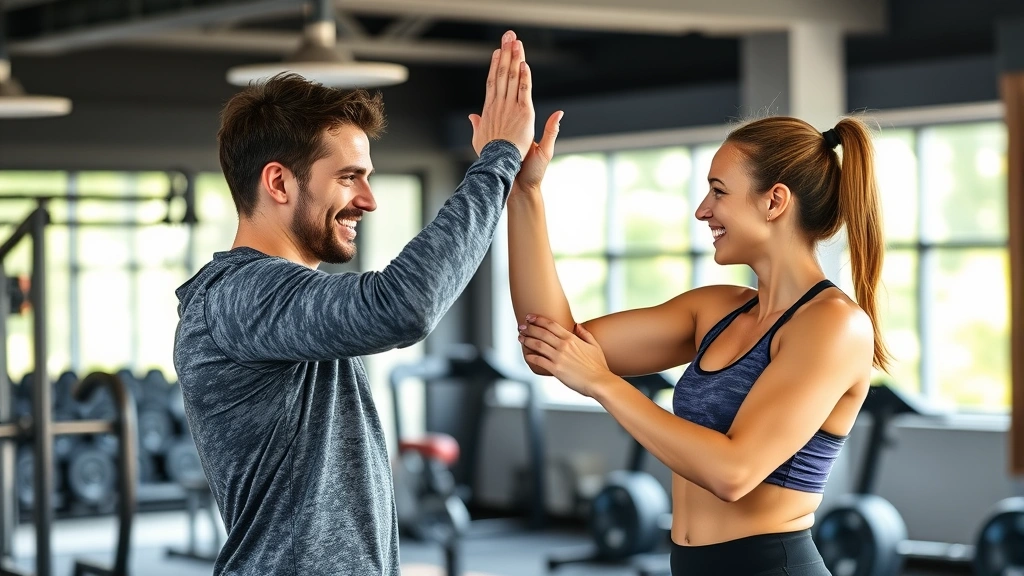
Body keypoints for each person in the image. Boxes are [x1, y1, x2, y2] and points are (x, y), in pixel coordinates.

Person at [173, 30, 536, 576]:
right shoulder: (239, 297)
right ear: (278, 182)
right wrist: (497, 162)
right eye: (348, 178)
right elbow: (402, 304)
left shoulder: (286, 303)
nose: (367, 200)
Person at [509, 115, 890, 576]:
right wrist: (524, 192)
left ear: (774, 201)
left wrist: (604, 384)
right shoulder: (716, 309)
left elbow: (734, 473)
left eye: (719, 191)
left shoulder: (835, 325)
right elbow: (550, 345)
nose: (702, 210)